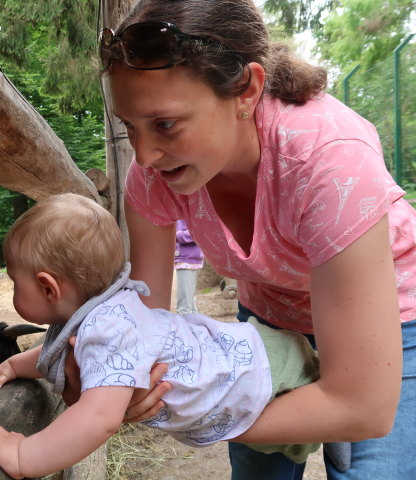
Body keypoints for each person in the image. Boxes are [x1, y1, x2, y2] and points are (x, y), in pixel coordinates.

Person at [97, 0, 416, 479]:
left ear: (246, 90)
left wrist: (201, 411)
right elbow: (146, 321)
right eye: (129, 127)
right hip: (269, 314)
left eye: (164, 124)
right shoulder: (153, 175)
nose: (143, 156)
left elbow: (365, 407)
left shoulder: (329, 160)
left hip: (389, 312)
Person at [0, 193, 322, 479]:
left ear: (48, 287)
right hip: (254, 349)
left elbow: (97, 418)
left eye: (14, 282)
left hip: (261, 374)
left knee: (319, 426)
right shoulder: (103, 309)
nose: (12, 291)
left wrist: (24, 454)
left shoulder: (106, 332)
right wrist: (13, 365)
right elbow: (54, 354)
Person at [174, 219, 204, 314]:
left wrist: (173, 235)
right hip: (188, 259)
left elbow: (197, 232)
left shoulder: (189, 213)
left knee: (184, 307)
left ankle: (184, 328)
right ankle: (195, 328)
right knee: (190, 303)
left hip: (187, 260)